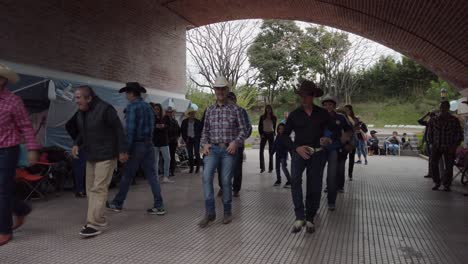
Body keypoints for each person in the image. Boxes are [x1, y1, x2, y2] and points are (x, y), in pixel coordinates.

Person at [69, 86, 128, 237]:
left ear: (89, 98)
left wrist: (122, 151)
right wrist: (76, 143)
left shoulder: (106, 109)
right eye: (75, 98)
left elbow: (118, 130)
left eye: (78, 98)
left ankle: (93, 223)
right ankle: (99, 218)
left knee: (98, 188)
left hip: (107, 154)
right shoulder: (82, 111)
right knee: (90, 189)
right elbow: (83, 131)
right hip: (91, 154)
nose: (76, 101)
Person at [281, 80, 336, 234]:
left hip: (317, 153)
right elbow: (284, 135)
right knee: (296, 181)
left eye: (306, 96)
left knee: (315, 185)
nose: (303, 99)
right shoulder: (294, 115)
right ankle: (299, 216)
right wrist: (295, 148)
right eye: (301, 96)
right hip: (299, 152)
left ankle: (310, 217)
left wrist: (328, 139)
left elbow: (335, 130)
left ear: (312, 96)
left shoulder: (322, 113)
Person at [107, 82, 166, 216]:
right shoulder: (148, 107)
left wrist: (125, 150)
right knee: (152, 176)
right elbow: (152, 128)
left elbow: (130, 131)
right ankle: (159, 205)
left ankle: (118, 203)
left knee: (127, 175)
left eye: (127, 93)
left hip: (136, 145)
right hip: (148, 144)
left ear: (132, 93)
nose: (126, 96)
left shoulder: (132, 107)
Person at [198, 76, 248, 228]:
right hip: (212, 149)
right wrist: (204, 144)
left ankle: (227, 211)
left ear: (227, 90)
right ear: (214, 90)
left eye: (222, 88)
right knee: (206, 177)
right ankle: (210, 213)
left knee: (226, 181)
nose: (219, 91)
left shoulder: (236, 110)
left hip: (228, 150)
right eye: (217, 88)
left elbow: (244, 130)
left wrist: (235, 142)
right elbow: (205, 130)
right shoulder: (209, 111)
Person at [0, 65, 41, 246]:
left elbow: (25, 126)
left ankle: (4, 231)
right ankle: (21, 208)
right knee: (2, 191)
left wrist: (32, 148)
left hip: (8, 150)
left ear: (2, 80)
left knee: (2, 190)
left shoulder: (13, 101)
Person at [321, 95, 352, 211]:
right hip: (320, 149)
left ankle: (331, 201)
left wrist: (346, 137)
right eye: (325, 105)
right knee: (317, 175)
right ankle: (315, 202)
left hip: (334, 149)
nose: (328, 106)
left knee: (332, 176)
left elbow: (349, 129)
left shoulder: (341, 117)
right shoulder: (318, 117)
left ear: (334, 106)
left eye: (330, 104)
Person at [428, 101, 463, 192]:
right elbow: (430, 132)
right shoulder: (434, 119)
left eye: (445, 107)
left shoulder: (454, 120)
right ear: (440, 108)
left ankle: (446, 185)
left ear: (448, 108)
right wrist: (432, 143)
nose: (443, 109)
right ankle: (437, 182)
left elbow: (459, 134)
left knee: (449, 166)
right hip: (436, 146)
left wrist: (454, 146)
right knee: (433, 164)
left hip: (449, 146)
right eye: (441, 107)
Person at [225, 92, 252, 197]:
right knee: (223, 167)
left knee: (236, 168)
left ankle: (235, 189)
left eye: (231, 100)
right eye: (228, 100)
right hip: (224, 144)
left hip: (237, 145)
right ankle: (224, 186)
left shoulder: (241, 111)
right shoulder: (223, 112)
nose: (229, 102)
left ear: (235, 100)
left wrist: (240, 139)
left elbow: (248, 127)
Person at [150, 103, 173, 183]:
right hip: (155, 141)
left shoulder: (165, 117)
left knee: (167, 158)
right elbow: (151, 128)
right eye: (155, 109)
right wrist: (156, 127)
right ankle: (155, 177)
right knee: (155, 160)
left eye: (157, 109)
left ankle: (166, 176)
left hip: (164, 141)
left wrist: (163, 126)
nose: (156, 110)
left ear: (160, 110)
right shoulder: (152, 118)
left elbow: (169, 127)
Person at [181, 108, 202, 173]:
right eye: (191, 113)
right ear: (189, 114)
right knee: (190, 154)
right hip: (188, 139)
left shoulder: (198, 121)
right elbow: (182, 131)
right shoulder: (184, 122)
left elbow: (201, 130)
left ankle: (197, 168)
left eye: (193, 113)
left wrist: (198, 137)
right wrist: (185, 139)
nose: (192, 114)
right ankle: (191, 168)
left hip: (196, 139)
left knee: (196, 153)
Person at [343, 105, 360, 179]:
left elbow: (358, 130)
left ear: (351, 110)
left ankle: (350, 173)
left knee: (351, 158)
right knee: (343, 158)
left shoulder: (355, 119)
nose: (346, 111)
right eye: (345, 110)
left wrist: (353, 130)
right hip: (344, 141)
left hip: (352, 141)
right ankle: (341, 175)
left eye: (348, 110)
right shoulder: (342, 118)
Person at [258, 105, 277, 173]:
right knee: (261, 151)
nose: (268, 110)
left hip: (271, 134)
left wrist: (274, 132)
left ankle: (270, 168)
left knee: (271, 151)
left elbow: (274, 126)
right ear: (265, 109)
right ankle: (262, 168)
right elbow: (259, 126)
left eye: (269, 109)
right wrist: (261, 134)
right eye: (267, 109)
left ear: (271, 109)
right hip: (264, 134)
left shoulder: (274, 117)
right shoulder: (262, 117)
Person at [272, 123, 291, 188]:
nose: (281, 130)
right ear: (278, 129)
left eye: (282, 129)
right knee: (277, 168)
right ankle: (278, 180)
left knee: (283, 167)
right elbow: (274, 145)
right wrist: (272, 152)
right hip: (277, 154)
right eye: (279, 129)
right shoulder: (277, 136)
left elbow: (290, 147)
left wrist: (292, 155)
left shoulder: (286, 137)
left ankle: (289, 180)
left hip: (283, 155)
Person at [419, 111, 437, 178]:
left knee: (433, 159)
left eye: (431, 116)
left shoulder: (436, 123)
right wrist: (426, 115)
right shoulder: (428, 123)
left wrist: (426, 115)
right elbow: (420, 121)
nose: (430, 118)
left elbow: (420, 121)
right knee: (431, 158)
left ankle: (434, 174)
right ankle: (430, 173)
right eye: (430, 117)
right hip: (428, 142)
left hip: (433, 143)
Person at [166, 106, 181, 177]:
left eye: (171, 112)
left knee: (172, 156)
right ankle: (166, 170)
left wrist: (176, 138)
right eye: (168, 112)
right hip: (166, 141)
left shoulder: (175, 121)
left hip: (173, 141)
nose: (170, 113)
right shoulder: (164, 120)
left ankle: (172, 171)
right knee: (166, 157)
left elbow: (179, 131)